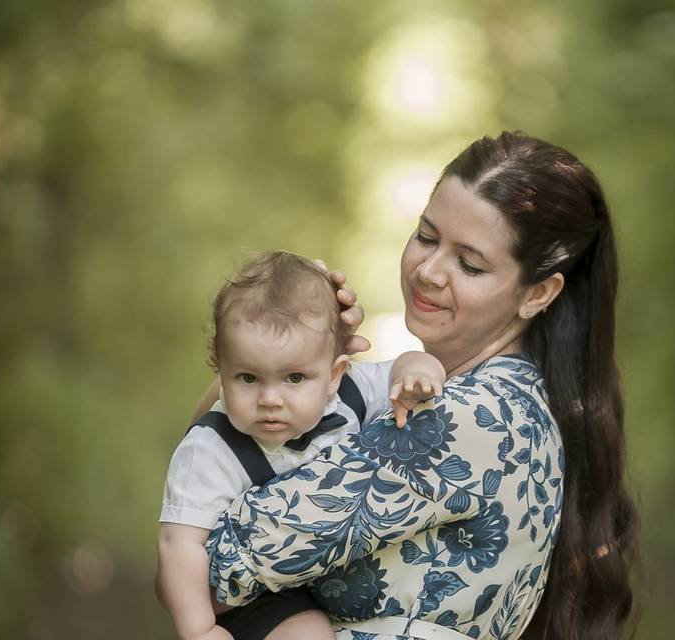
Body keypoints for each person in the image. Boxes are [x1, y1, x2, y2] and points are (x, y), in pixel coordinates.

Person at [202, 132, 641, 640]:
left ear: (537, 292)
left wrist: (262, 368)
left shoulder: (468, 419)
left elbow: (210, 555)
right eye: (427, 237)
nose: (429, 271)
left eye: (470, 264)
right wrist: (289, 355)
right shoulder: (515, 403)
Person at [157, 251, 446, 640]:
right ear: (219, 368)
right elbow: (179, 544)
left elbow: (402, 365)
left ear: (334, 374)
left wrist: (418, 373)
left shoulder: (349, 394)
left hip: (337, 578)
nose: (270, 399)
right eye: (248, 377)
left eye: (294, 377)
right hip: (253, 599)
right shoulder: (210, 450)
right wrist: (200, 629)